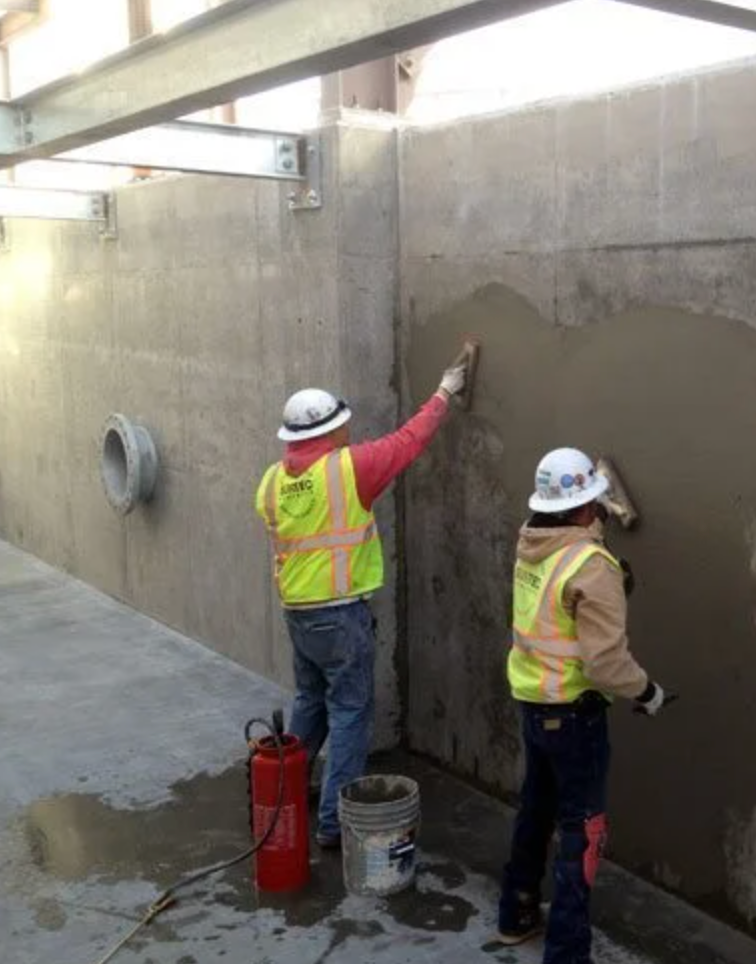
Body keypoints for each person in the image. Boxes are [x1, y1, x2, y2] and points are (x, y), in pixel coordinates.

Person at [255, 363, 466, 848]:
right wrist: (443, 394)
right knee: (350, 712)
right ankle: (335, 823)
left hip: (299, 614)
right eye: (343, 423)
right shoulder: (350, 468)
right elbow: (408, 442)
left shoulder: (270, 482)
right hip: (340, 615)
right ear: (333, 429)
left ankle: (286, 795)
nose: (350, 430)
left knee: (311, 702)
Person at [498, 447, 676, 963]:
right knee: (583, 832)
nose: (601, 512)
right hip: (575, 715)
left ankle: (517, 914)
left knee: (536, 810)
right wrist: (649, 693)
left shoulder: (530, 542)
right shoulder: (592, 567)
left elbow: (559, 611)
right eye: (594, 504)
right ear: (580, 509)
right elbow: (605, 665)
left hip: (533, 702)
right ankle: (567, 952)